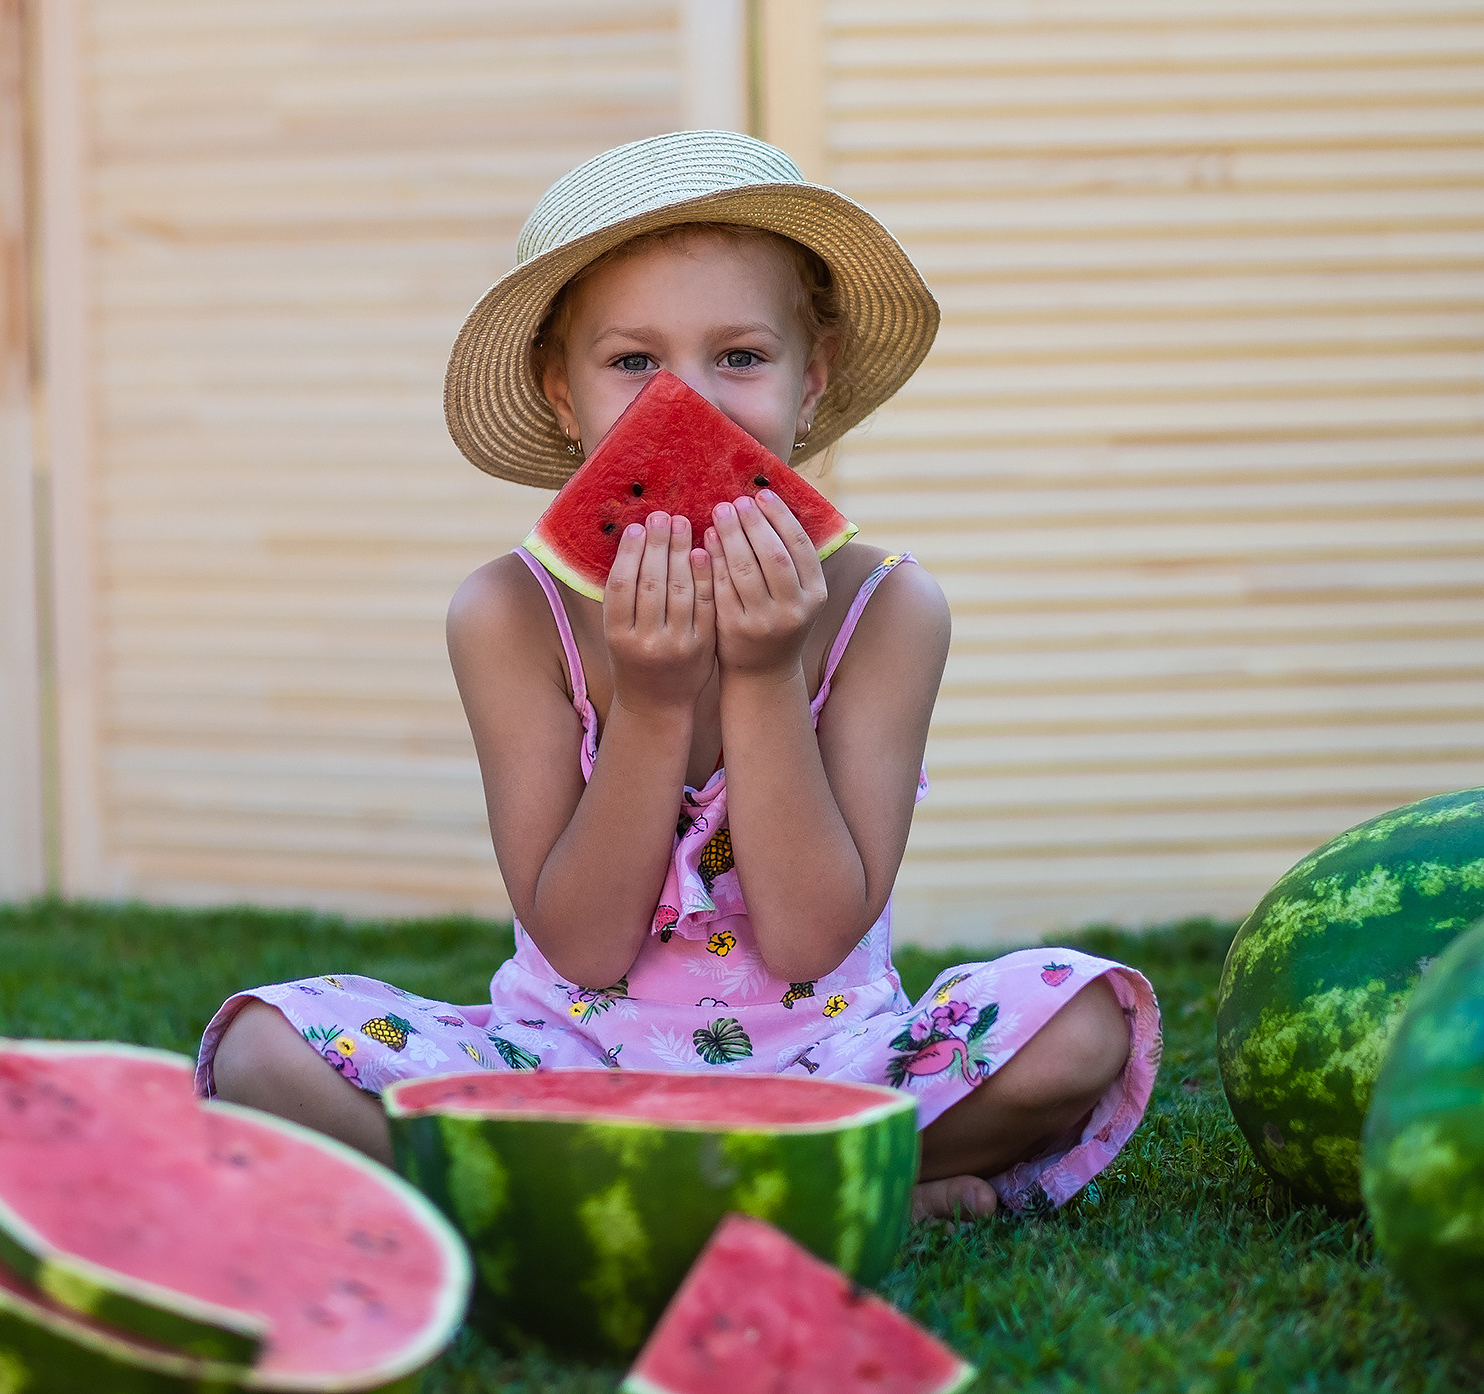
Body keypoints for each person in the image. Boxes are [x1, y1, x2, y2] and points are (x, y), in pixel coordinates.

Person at [197, 130, 1160, 1222]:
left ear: (815, 380)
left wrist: (763, 672)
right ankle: (813, 1201)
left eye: (740, 357)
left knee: (1082, 1025)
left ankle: (589, 1210)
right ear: (563, 395)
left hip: (835, 1063)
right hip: (561, 1068)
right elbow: (582, 944)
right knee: (264, 1055)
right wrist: (650, 706)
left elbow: (808, 937)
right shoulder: (507, 613)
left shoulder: (892, 608)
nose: (685, 407)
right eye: (633, 362)